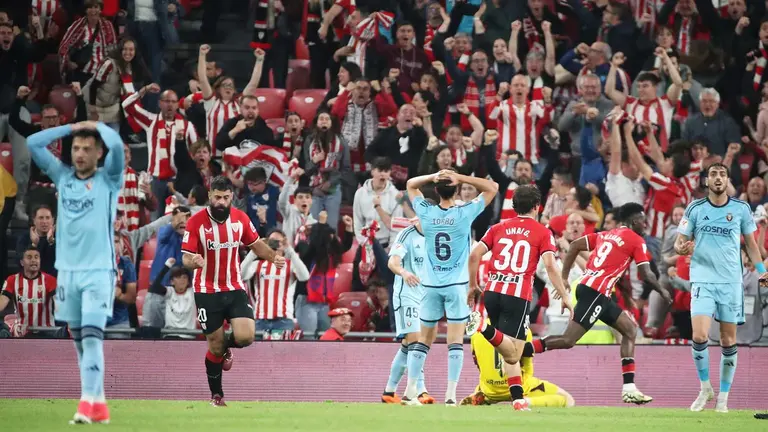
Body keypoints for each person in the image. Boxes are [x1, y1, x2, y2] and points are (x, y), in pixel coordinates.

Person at [26, 120, 124, 424]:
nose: (80, 153)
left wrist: (94, 124)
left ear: (98, 154)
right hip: (67, 272)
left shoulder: (109, 178)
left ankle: (84, 404)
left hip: (98, 271)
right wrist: (69, 128)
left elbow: (118, 146)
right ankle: (99, 403)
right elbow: (32, 143)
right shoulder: (62, 176)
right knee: (80, 340)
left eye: (87, 148)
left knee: (93, 338)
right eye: (76, 148)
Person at [527, 203, 672, 405]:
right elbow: (646, 273)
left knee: (630, 330)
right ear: (633, 221)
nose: (645, 224)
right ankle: (524, 350)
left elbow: (576, 245)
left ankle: (629, 388)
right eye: (641, 220)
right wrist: (663, 290)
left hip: (596, 291)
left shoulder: (607, 234)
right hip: (596, 292)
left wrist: (565, 277)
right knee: (568, 340)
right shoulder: (636, 240)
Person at [180, 175, 286, 407]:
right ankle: (217, 396)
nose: (221, 202)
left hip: (234, 286)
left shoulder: (240, 219)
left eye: (226, 198)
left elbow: (256, 244)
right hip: (206, 291)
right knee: (215, 346)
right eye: (217, 197)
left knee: (246, 336)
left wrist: (273, 257)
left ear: (231, 198)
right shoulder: (196, 222)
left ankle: (228, 348)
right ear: (209, 196)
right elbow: (185, 257)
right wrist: (193, 261)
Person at [465, 185, 572, 411]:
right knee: (515, 351)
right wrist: (564, 294)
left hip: (492, 291)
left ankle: (517, 400)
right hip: (517, 294)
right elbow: (551, 265)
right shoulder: (543, 232)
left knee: (509, 351)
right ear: (537, 206)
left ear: (514, 206)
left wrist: (473, 285)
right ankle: (483, 327)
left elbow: (475, 254)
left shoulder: (498, 227)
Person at [675, 162, 768, 413]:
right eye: (713, 174)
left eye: (722, 174)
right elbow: (679, 242)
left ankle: (724, 398)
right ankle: (705, 388)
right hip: (703, 279)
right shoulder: (695, 208)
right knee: (699, 336)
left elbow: (750, 244)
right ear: (707, 181)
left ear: (727, 181)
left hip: (730, 282)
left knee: (728, 340)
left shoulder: (740, 209)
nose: (718, 178)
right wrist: (681, 248)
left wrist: (762, 273)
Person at [402, 168, 498, 406]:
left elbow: (410, 185)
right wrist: (461, 177)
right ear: (456, 190)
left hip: (431, 284)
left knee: (423, 340)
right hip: (457, 285)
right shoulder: (465, 212)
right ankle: (450, 396)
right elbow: (492, 187)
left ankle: (409, 390)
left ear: (436, 190)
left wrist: (434, 175)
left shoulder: (425, 211)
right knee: (454, 341)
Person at [461, 317, 575, 408]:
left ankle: (480, 396)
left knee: (482, 388)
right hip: (519, 388)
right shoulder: (523, 330)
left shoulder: (477, 331)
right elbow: (527, 365)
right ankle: (527, 401)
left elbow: (478, 364)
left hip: (490, 389)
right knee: (568, 399)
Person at [381, 219, 434, 405]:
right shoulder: (407, 234)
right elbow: (392, 262)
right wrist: (404, 272)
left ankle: (389, 391)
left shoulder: (437, 234)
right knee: (416, 342)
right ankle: (419, 391)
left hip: (425, 296)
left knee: (407, 346)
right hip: (407, 295)